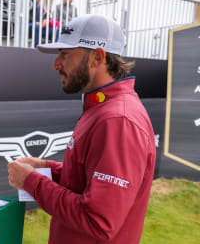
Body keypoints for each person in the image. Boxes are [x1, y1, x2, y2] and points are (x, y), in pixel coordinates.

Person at [8, 15, 156, 244]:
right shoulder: (104, 107)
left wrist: (32, 182)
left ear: (97, 57)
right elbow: (90, 177)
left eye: (65, 55)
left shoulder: (118, 120)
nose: (56, 65)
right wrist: (49, 169)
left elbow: (98, 220)